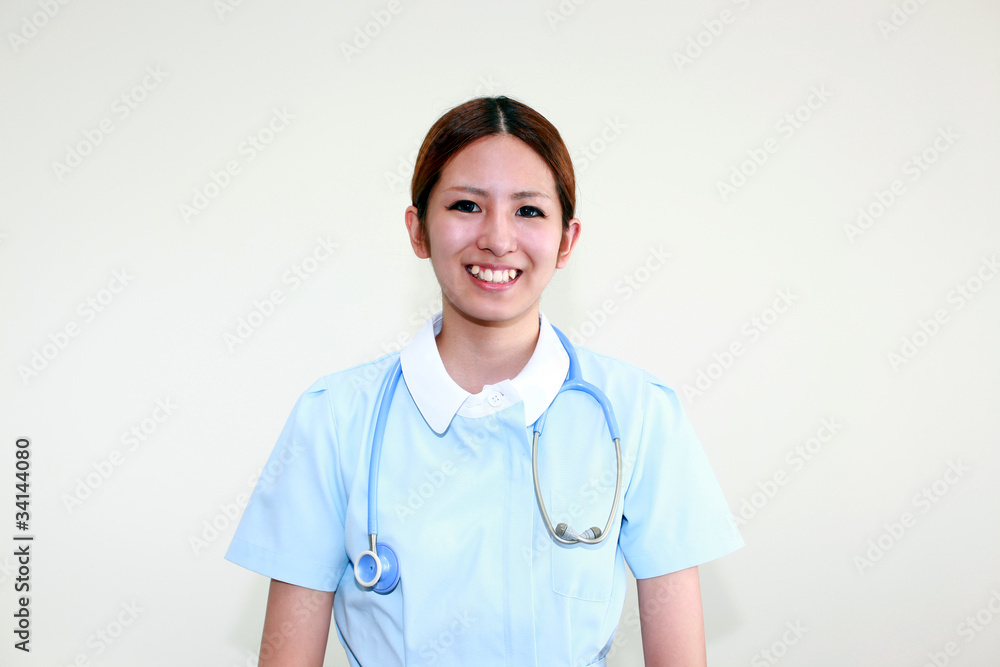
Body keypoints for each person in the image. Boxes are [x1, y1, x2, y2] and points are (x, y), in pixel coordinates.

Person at [225, 96, 743, 666]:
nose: (498, 238)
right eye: (467, 205)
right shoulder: (333, 417)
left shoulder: (640, 412)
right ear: (418, 231)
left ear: (567, 240)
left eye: (529, 211)